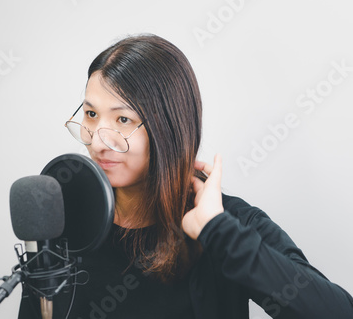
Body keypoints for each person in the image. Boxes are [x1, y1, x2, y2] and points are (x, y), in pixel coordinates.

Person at [18, 34, 353, 318]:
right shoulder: (64, 224)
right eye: (91, 114)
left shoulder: (228, 223)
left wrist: (219, 232)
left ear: (167, 127)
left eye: (122, 120)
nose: (98, 139)